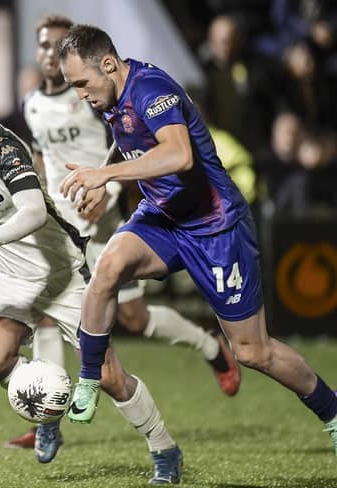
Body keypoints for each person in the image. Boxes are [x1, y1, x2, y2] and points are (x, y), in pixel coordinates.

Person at [54, 24, 337, 458]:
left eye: (81, 84)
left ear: (108, 64)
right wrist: (104, 176)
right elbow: (130, 136)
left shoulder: (152, 88)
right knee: (108, 267)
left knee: (253, 351)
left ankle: (332, 413)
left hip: (215, 226)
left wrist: (105, 175)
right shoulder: (111, 92)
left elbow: (179, 155)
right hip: (164, 218)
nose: (80, 95)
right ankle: (91, 378)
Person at [0, 73, 183, 484]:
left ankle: (164, 448)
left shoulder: (4, 150)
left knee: (107, 376)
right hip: (11, 274)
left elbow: (34, 212)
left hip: (63, 273)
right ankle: (48, 409)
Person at [6, 14, 240, 450]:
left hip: (103, 217)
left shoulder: (98, 97)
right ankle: (48, 421)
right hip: (63, 222)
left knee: (134, 318)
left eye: (57, 46)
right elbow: (43, 162)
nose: (49, 54)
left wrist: (109, 189)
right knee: (46, 311)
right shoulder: (32, 104)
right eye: (43, 46)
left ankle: (209, 347)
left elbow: (128, 148)